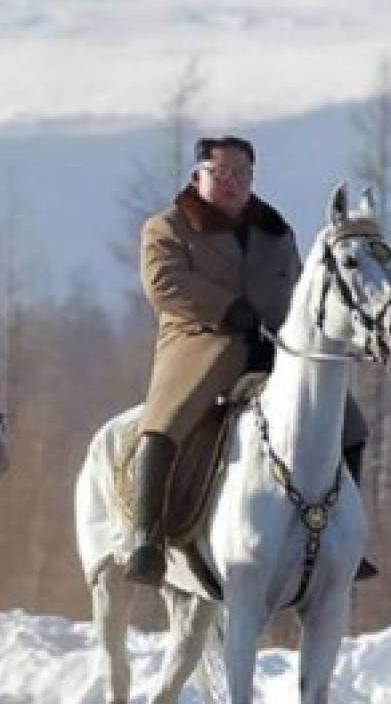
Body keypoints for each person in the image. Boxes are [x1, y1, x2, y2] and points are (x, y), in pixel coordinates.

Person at [127, 134, 371, 588]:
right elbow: (164, 284)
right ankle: (147, 537)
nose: (232, 182)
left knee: (351, 424)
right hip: (199, 343)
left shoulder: (275, 230)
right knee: (166, 422)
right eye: (220, 173)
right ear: (197, 175)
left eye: (241, 174)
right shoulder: (168, 226)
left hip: (274, 345)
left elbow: (301, 289)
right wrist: (227, 308)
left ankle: (345, 539)